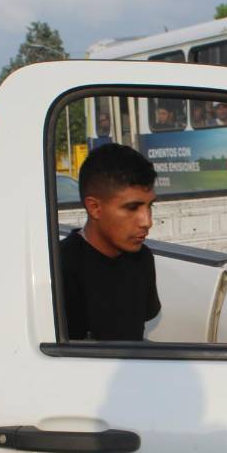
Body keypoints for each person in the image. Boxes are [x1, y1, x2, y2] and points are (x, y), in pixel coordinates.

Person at [60, 143, 160, 341]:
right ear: (95, 208)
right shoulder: (60, 268)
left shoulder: (142, 259)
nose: (147, 222)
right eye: (132, 208)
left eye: (150, 206)